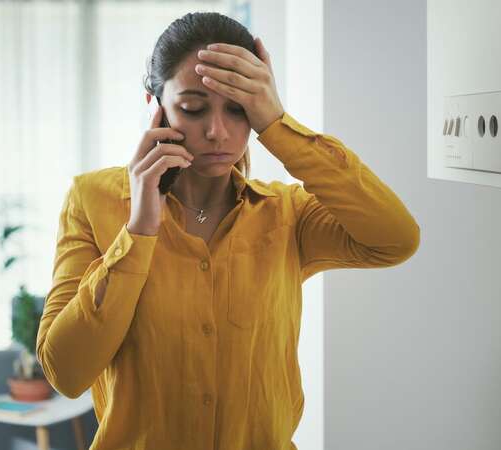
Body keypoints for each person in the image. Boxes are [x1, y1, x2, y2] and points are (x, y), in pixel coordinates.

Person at [36, 11, 420, 450]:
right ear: (155, 108)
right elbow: (65, 373)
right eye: (193, 108)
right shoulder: (91, 200)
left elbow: (396, 239)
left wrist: (278, 124)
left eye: (238, 110)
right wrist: (139, 230)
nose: (217, 132)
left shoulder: (288, 214)